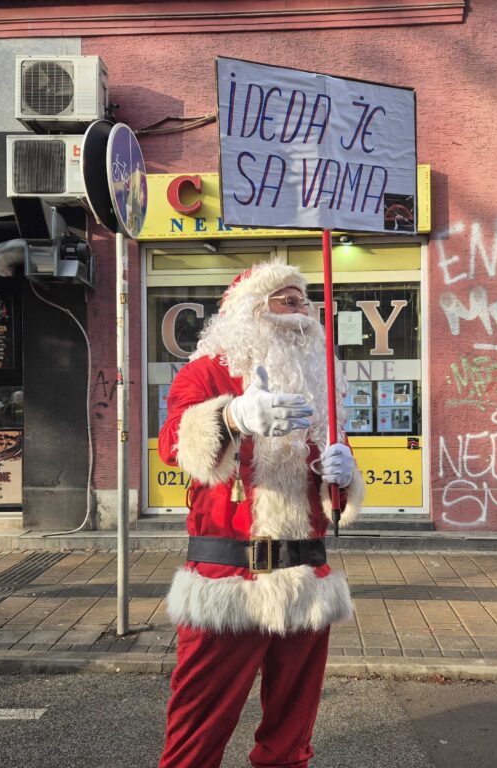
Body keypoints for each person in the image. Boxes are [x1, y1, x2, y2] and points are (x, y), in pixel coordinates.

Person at [157, 259, 364, 768]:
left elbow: (330, 500)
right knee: (195, 737)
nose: (301, 313)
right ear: (252, 310)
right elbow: (172, 445)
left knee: (291, 740)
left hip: (304, 576)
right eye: (286, 301)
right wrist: (231, 415)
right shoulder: (204, 372)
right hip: (229, 577)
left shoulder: (318, 386)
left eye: (305, 302)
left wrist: (344, 474)